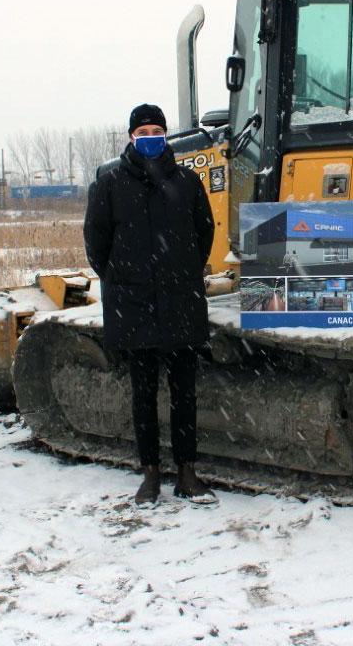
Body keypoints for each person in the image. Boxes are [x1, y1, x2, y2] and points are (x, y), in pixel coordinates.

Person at [83, 103, 217, 506]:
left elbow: (204, 234)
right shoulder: (109, 185)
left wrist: (183, 274)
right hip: (134, 306)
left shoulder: (188, 183)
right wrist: (123, 279)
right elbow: (96, 244)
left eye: (157, 130)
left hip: (180, 303)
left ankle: (188, 473)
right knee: (143, 396)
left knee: (184, 394)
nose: (151, 138)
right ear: (131, 138)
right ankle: (151, 474)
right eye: (143, 132)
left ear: (166, 136)